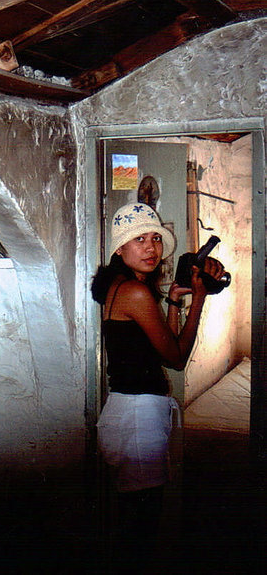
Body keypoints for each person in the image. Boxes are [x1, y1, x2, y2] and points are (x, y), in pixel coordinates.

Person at [91, 202, 225, 573]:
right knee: (140, 529)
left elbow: (158, 350)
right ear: (120, 248)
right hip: (137, 416)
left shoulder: (120, 288)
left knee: (135, 521)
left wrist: (173, 302)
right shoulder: (135, 292)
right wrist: (198, 300)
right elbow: (177, 357)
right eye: (139, 240)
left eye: (155, 239)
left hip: (128, 411)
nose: (151, 248)